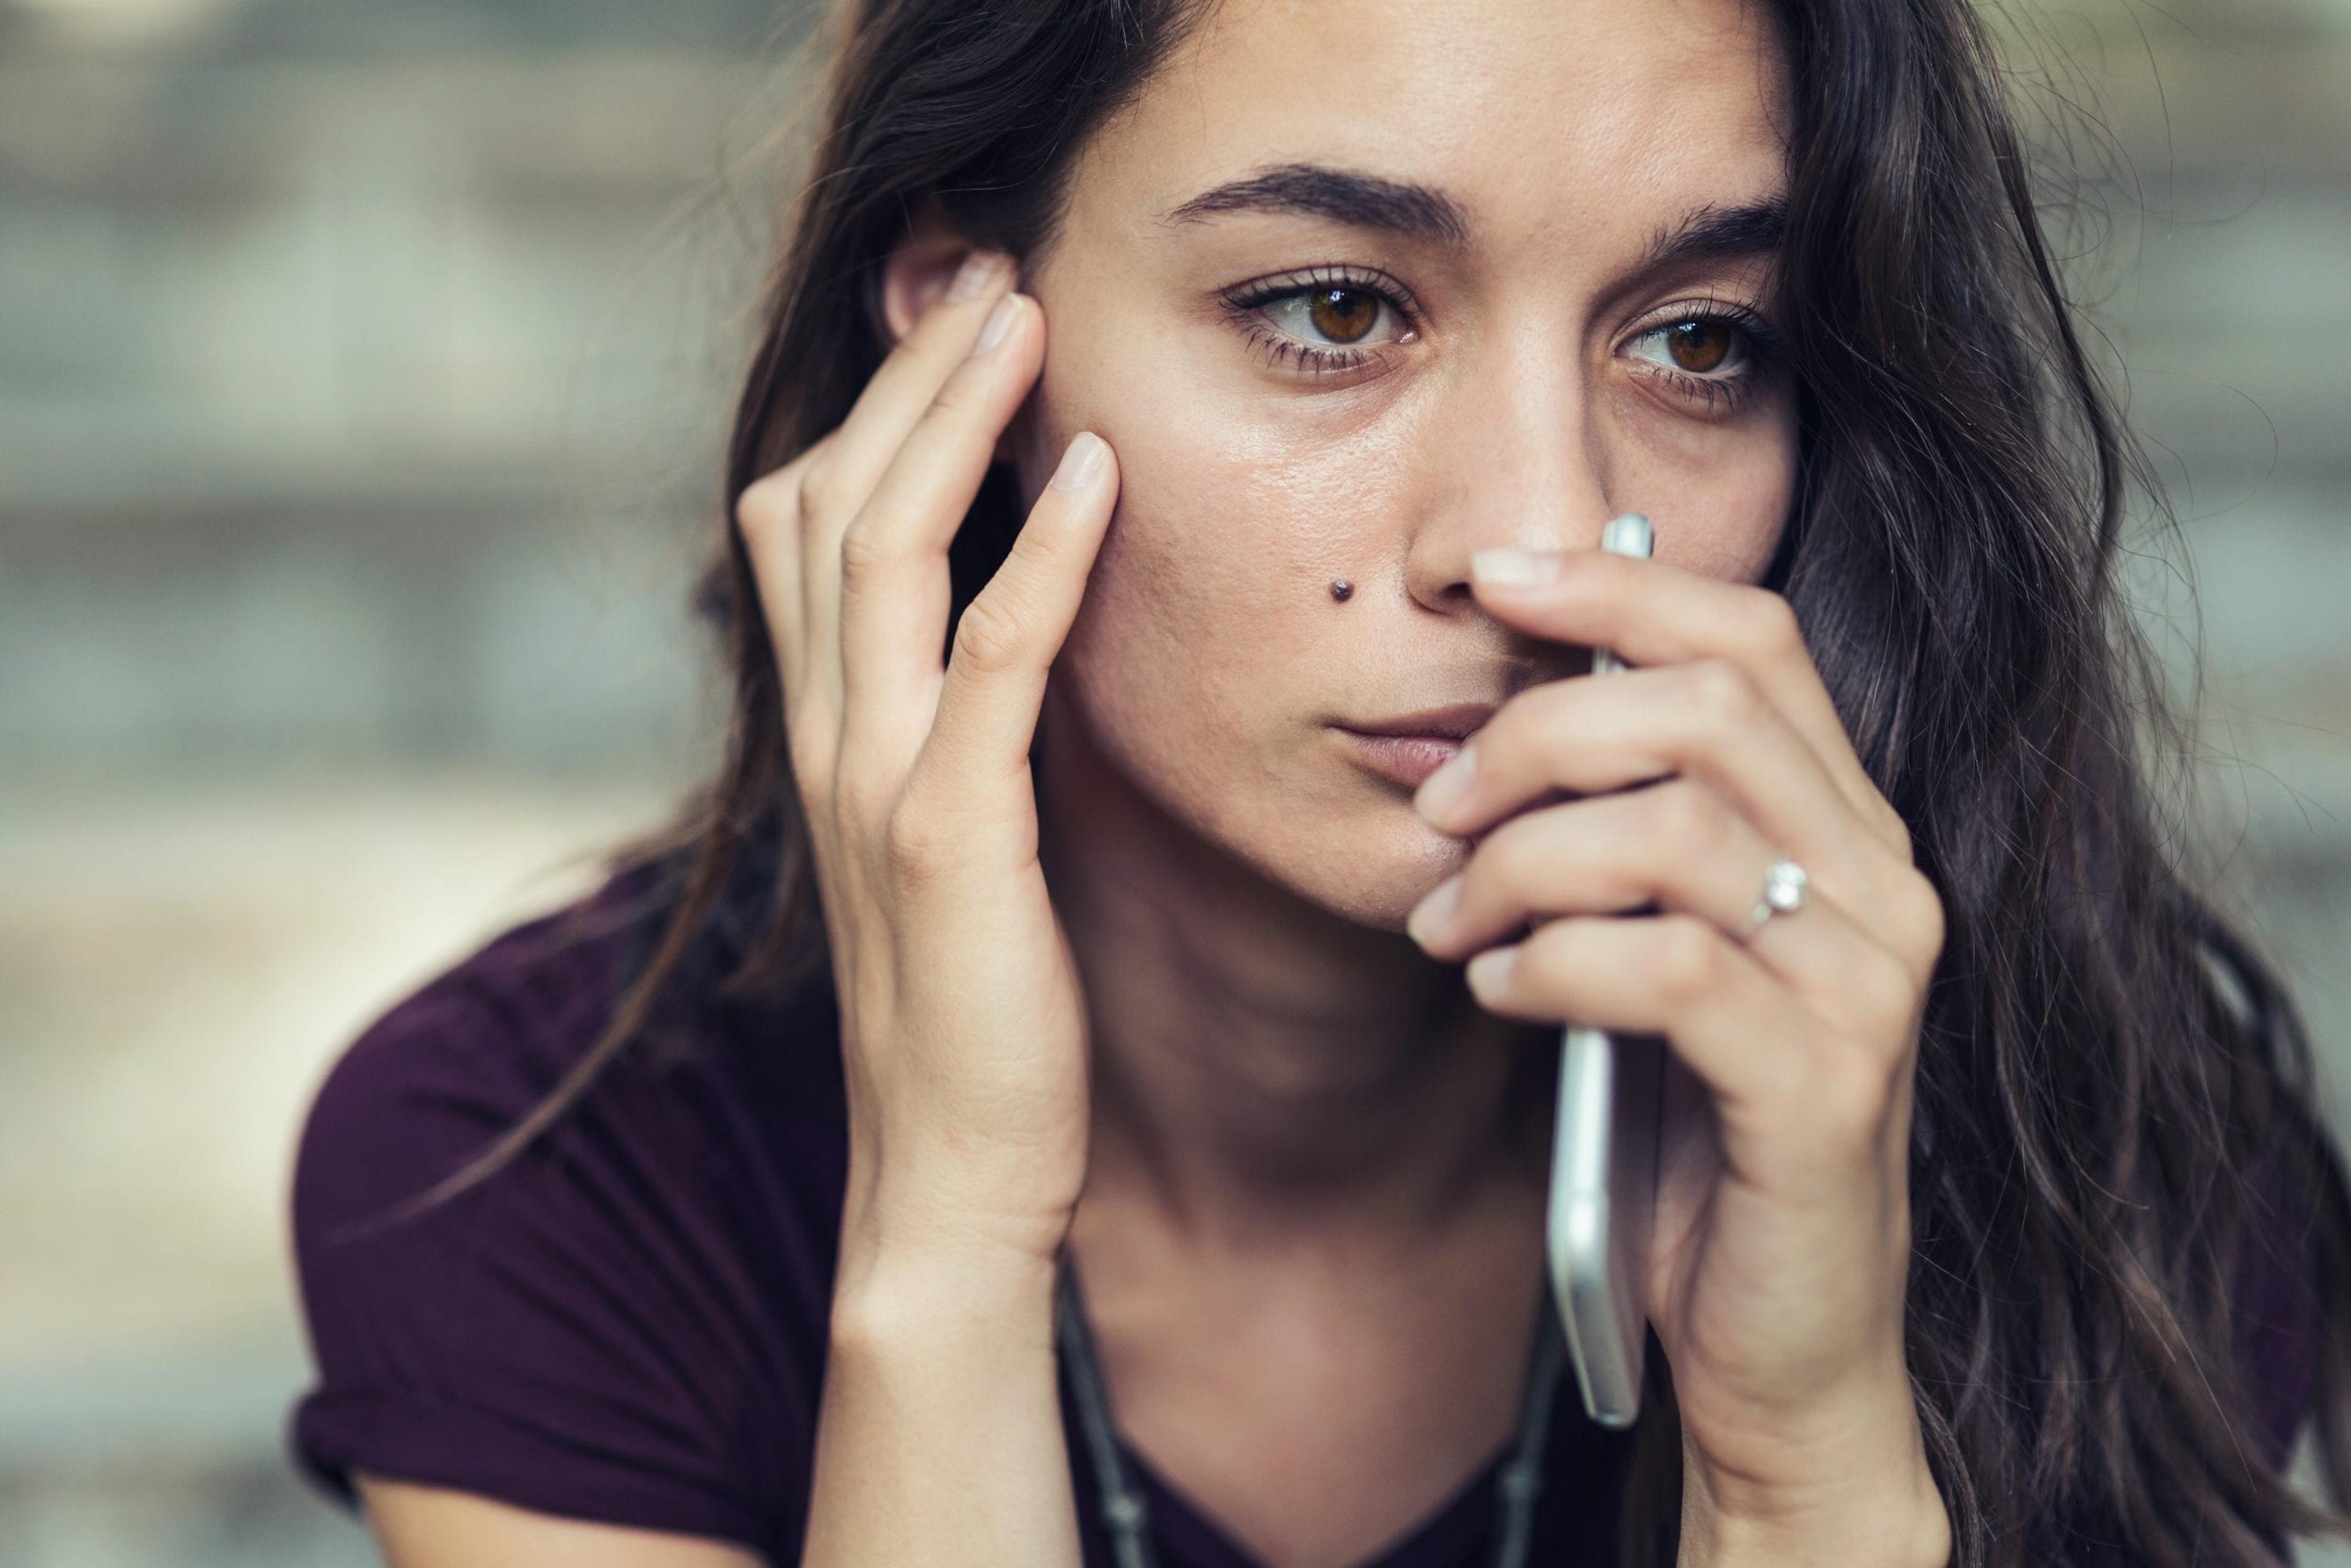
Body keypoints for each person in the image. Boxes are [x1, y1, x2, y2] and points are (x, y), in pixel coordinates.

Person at [283, 0, 2351, 1563]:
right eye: (1336, 308)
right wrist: (951, 1243)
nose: (1539, 527)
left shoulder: (2121, 1164)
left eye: (1703, 340)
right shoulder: (531, 1166)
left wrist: (1805, 1455)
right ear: (961, 360)